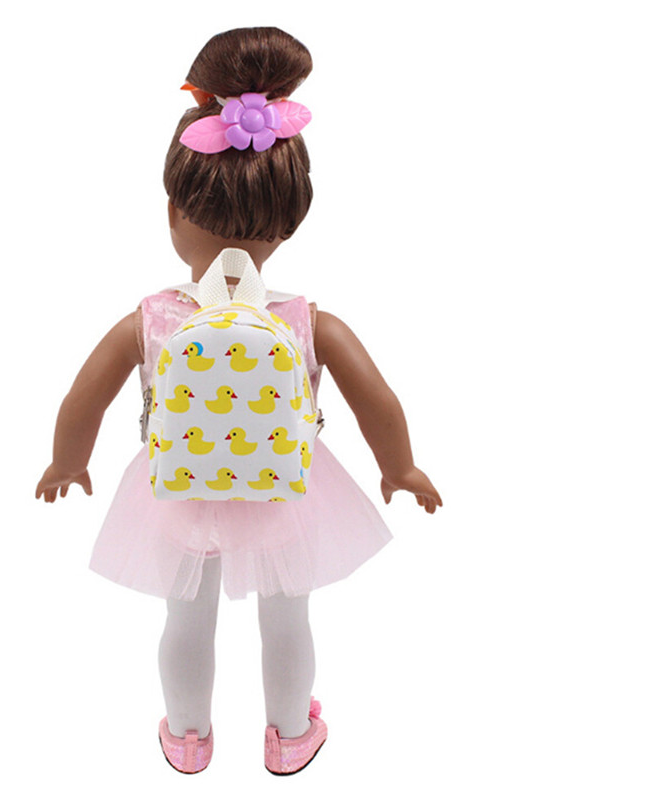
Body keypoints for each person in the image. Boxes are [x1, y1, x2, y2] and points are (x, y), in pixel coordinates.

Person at [36, 26, 441, 776]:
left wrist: (68, 460)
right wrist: (399, 468)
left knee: (186, 618)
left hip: (180, 488)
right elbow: (376, 398)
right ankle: (289, 735)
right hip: (284, 489)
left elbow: (83, 397)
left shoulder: (152, 319)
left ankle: (188, 738)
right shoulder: (310, 321)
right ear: (288, 223)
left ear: (172, 212)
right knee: (288, 617)